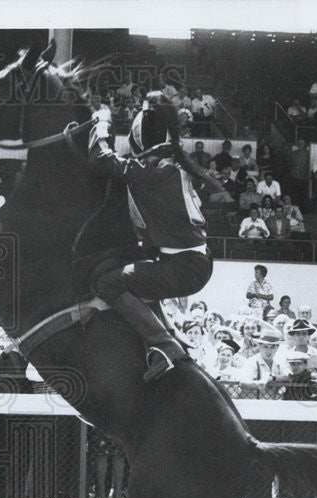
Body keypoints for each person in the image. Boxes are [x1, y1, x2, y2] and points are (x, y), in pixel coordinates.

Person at [86, 94, 223, 380]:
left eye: (144, 156)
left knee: (109, 282)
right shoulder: (171, 166)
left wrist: (101, 121)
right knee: (105, 267)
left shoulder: (154, 172)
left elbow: (100, 160)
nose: (141, 160)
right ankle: (169, 335)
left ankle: (165, 346)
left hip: (185, 265)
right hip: (184, 258)